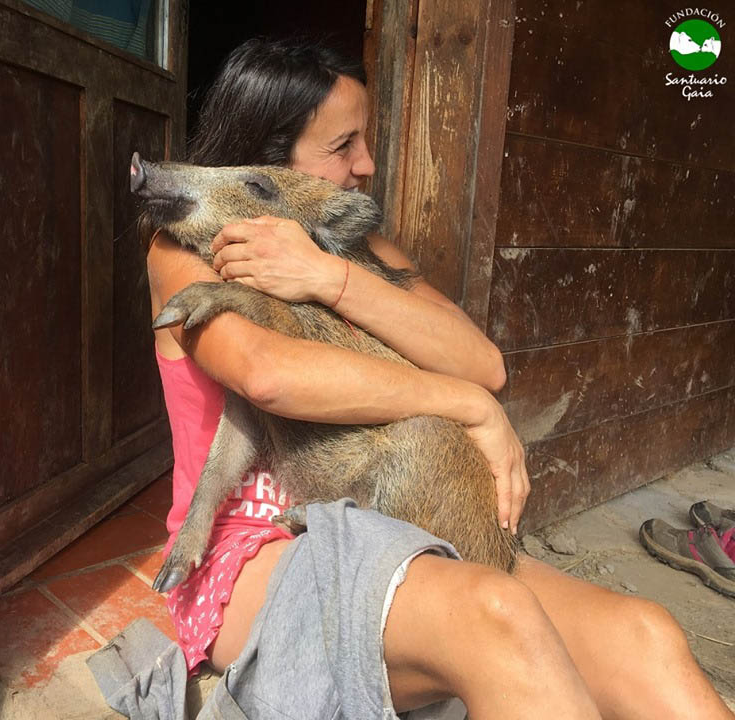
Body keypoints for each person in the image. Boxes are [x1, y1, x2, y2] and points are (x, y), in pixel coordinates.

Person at [146, 38, 734, 719]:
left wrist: (328, 276)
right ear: (266, 165)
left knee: (645, 635)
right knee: (495, 619)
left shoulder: (352, 245)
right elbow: (268, 376)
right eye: (344, 146)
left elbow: (483, 362)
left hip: (400, 517)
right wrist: (473, 409)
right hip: (251, 551)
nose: (367, 164)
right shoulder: (182, 249)